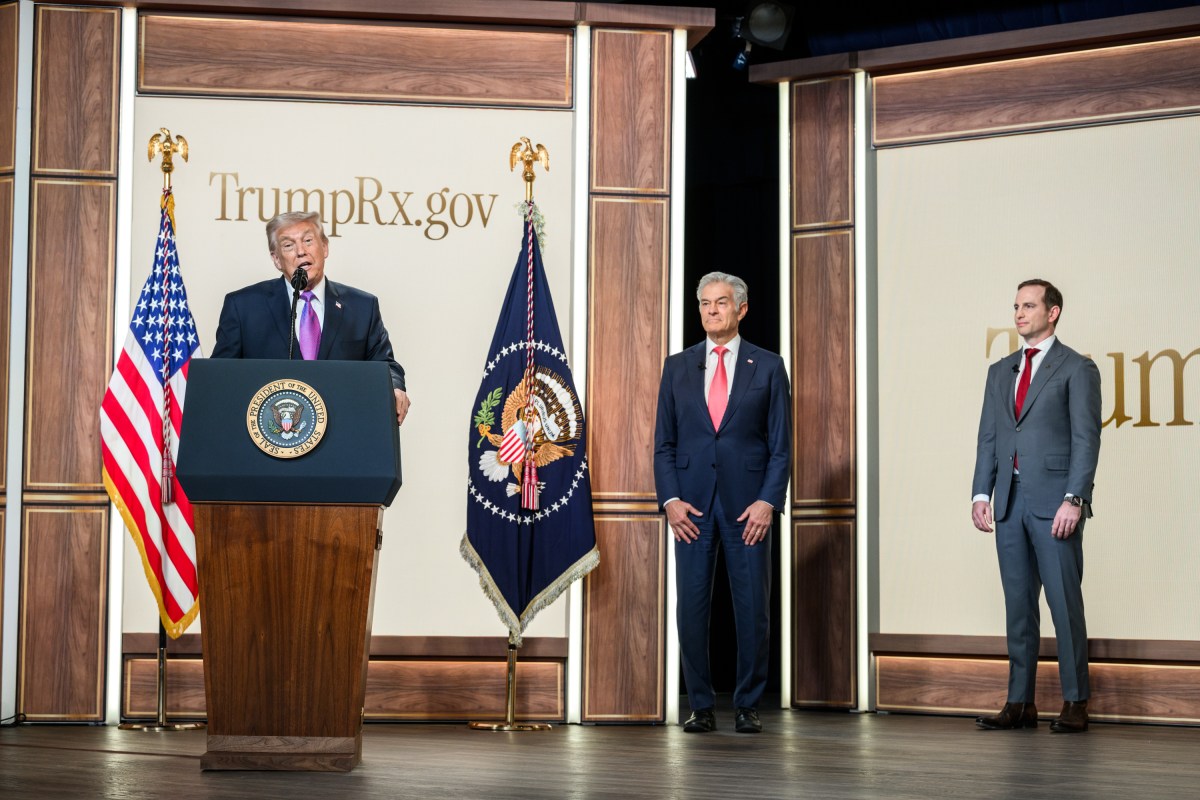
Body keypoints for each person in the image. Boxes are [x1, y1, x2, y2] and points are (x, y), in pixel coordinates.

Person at [653, 272, 791, 734]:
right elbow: (664, 445)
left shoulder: (768, 366)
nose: (712, 310)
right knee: (691, 607)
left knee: (753, 607)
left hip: (747, 507)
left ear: (742, 309)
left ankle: (748, 703)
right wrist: (670, 499)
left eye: (721, 303)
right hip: (690, 508)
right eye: (705, 303)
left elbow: (780, 446)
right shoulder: (676, 367)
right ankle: (701, 705)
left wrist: (768, 502)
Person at [971, 279, 1101, 734]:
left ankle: (1076, 701)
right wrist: (980, 493)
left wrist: (1075, 498)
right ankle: (1020, 703)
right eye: (1016, 306)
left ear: (1054, 312)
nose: (1020, 313)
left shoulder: (1076, 367)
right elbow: (990, 436)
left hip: (1055, 503)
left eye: (1029, 305)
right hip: (1008, 501)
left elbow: (1087, 439)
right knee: (1018, 605)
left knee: (1064, 604)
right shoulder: (1000, 370)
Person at [212, 211, 411, 425]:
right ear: (276, 259)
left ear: (324, 247)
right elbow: (220, 377)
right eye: (288, 245)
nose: (300, 251)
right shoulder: (243, 306)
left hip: (341, 432)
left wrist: (394, 386)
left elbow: (385, 365)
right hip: (271, 437)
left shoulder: (362, 306)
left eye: (308, 241)